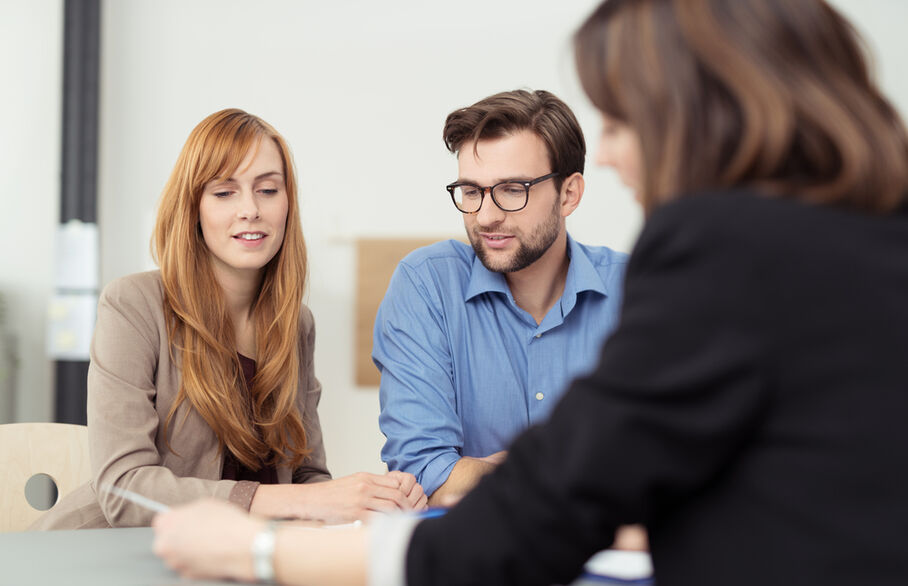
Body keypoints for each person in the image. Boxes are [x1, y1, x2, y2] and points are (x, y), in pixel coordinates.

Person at [153, 0, 908, 584]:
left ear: (702, 111)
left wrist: (257, 551)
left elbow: (549, 506)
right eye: (471, 191)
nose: (611, 149)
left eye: (622, 118)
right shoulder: (872, 236)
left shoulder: (716, 251)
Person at [32, 109, 425, 530]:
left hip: (234, 562)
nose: (251, 209)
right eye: (224, 192)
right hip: (105, 557)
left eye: (268, 190)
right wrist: (310, 499)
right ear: (193, 208)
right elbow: (124, 489)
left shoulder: (296, 325)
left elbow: (306, 476)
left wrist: (373, 500)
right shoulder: (133, 305)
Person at [375, 89, 628, 505]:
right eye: (471, 191)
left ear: (569, 194)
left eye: (513, 189)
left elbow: (670, 463)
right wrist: (581, 471)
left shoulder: (632, 292)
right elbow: (422, 474)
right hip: (471, 563)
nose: (486, 215)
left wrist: (483, 474)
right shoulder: (427, 285)